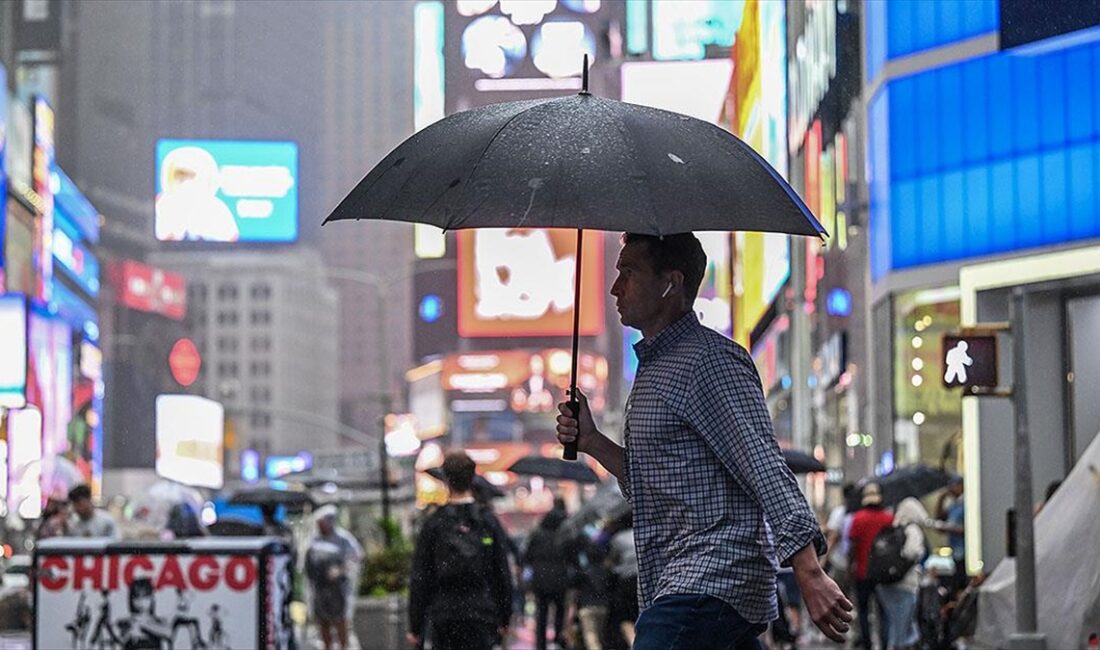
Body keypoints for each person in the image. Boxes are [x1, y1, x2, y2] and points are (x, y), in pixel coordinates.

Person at [556, 233, 852, 649]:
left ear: (671, 282)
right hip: (680, 577)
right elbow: (652, 482)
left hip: (712, 576)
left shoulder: (709, 361)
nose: (615, 288)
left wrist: (808, 569)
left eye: (629, 272)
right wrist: (592, 442)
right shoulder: (655, 369)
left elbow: (763, 464)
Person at [408, 451, 513, 650]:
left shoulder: (434, 523)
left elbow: (421, 576)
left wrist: (416, 625)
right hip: (481, 612)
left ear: (446, 479)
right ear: (472, 478)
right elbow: (501, 571)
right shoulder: (487, 521)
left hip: (445, 614)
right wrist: (505, 616)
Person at [305, 505, 364, 650]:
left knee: (340, 620)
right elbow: (307, 561)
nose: (320, 526)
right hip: (319, 588)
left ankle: (343, 647)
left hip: (338, 588)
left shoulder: (343, 538)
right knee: (323, 621)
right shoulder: (314, 540)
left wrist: (341, 570)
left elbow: (357, 556)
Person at [847, 483, 895, 650]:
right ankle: (884, 645)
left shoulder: (857, 518)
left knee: (863, 611)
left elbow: (852, 547)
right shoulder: (888, 518)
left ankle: (867, 644)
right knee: (883, 612)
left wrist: (850, 567)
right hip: (883, 573)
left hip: (862, 572)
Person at [876, 497, 927, 650]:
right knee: (902, 629)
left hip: (885, 583)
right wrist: (920, 552)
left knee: (894, 624)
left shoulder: (892, 529)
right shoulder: (913, 530)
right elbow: (912, 552)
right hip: (906, 584)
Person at [524, 509, 572, 650]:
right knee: (559, 613)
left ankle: (541, 645)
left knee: (541, 614)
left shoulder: (536, 536)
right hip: (559, 581)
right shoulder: (563, 537)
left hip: (540, 582)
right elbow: (572, 558)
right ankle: (557, 642)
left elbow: (527, 557)